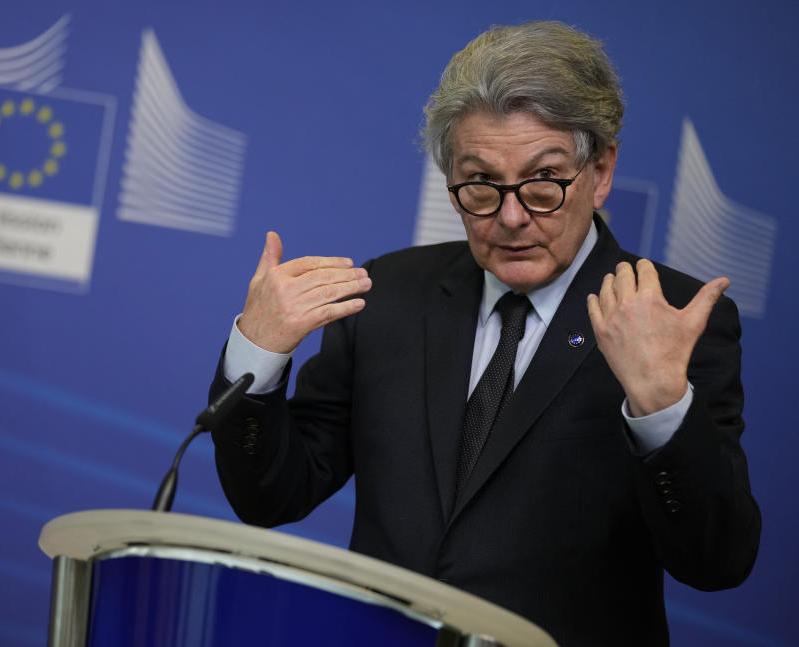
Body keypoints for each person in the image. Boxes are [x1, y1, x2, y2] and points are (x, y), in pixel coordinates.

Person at [209, 21, 760, 646]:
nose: (512, 216)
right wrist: (256, 353)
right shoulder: (389, 294)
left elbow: (717, 563)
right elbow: (272, 495)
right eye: (480, 185)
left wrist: (661, 408)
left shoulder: (673, 314)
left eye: (544, 180)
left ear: (601, 171)